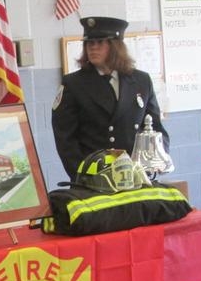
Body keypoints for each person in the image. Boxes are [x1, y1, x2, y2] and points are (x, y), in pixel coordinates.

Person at [52, 16, 169, 180]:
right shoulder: (74, 84)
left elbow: (155, 128)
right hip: (95, 178)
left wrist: (157, 161)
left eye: (100, 43)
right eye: (89, 43)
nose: (93, 48)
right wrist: (83, 175)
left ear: (115, 47)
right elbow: (65, 140)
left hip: (136, 176)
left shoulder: (141, 81)